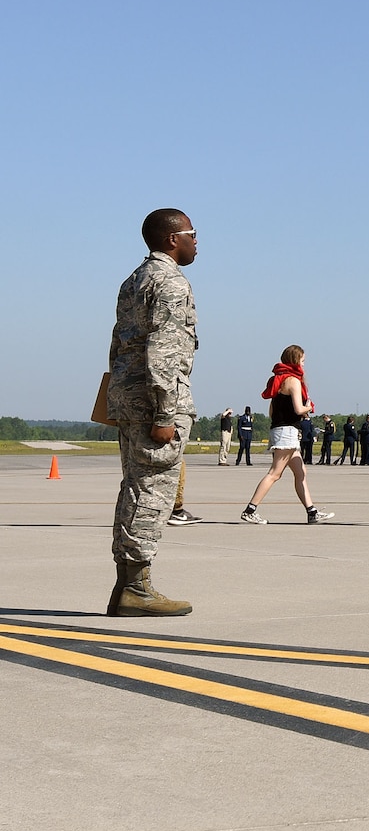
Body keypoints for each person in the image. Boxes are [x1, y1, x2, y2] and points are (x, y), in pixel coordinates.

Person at [105, 208, 200, 616]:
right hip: (153, 404)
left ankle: (128, 584)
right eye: (192, 234)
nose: (197, 241)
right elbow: (163, 350)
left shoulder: (134, 280)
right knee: (151, 490)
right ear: (171, 240)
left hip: (129, 399)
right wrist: (164, 414)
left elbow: (119, 346)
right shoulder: (170, 282)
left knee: (134, 487)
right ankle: (136, 589)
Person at [241, 345, 334, 524]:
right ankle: (250, 509)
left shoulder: (278, 380)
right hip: (287, 431)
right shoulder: (294, 380)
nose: (304, 365)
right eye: (303, 361)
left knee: (301, 472)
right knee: (275, 473)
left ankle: (311, 511)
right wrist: (309, 407)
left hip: (281, 429)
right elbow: (299, 409)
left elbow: (271, 411)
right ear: (295, 360)